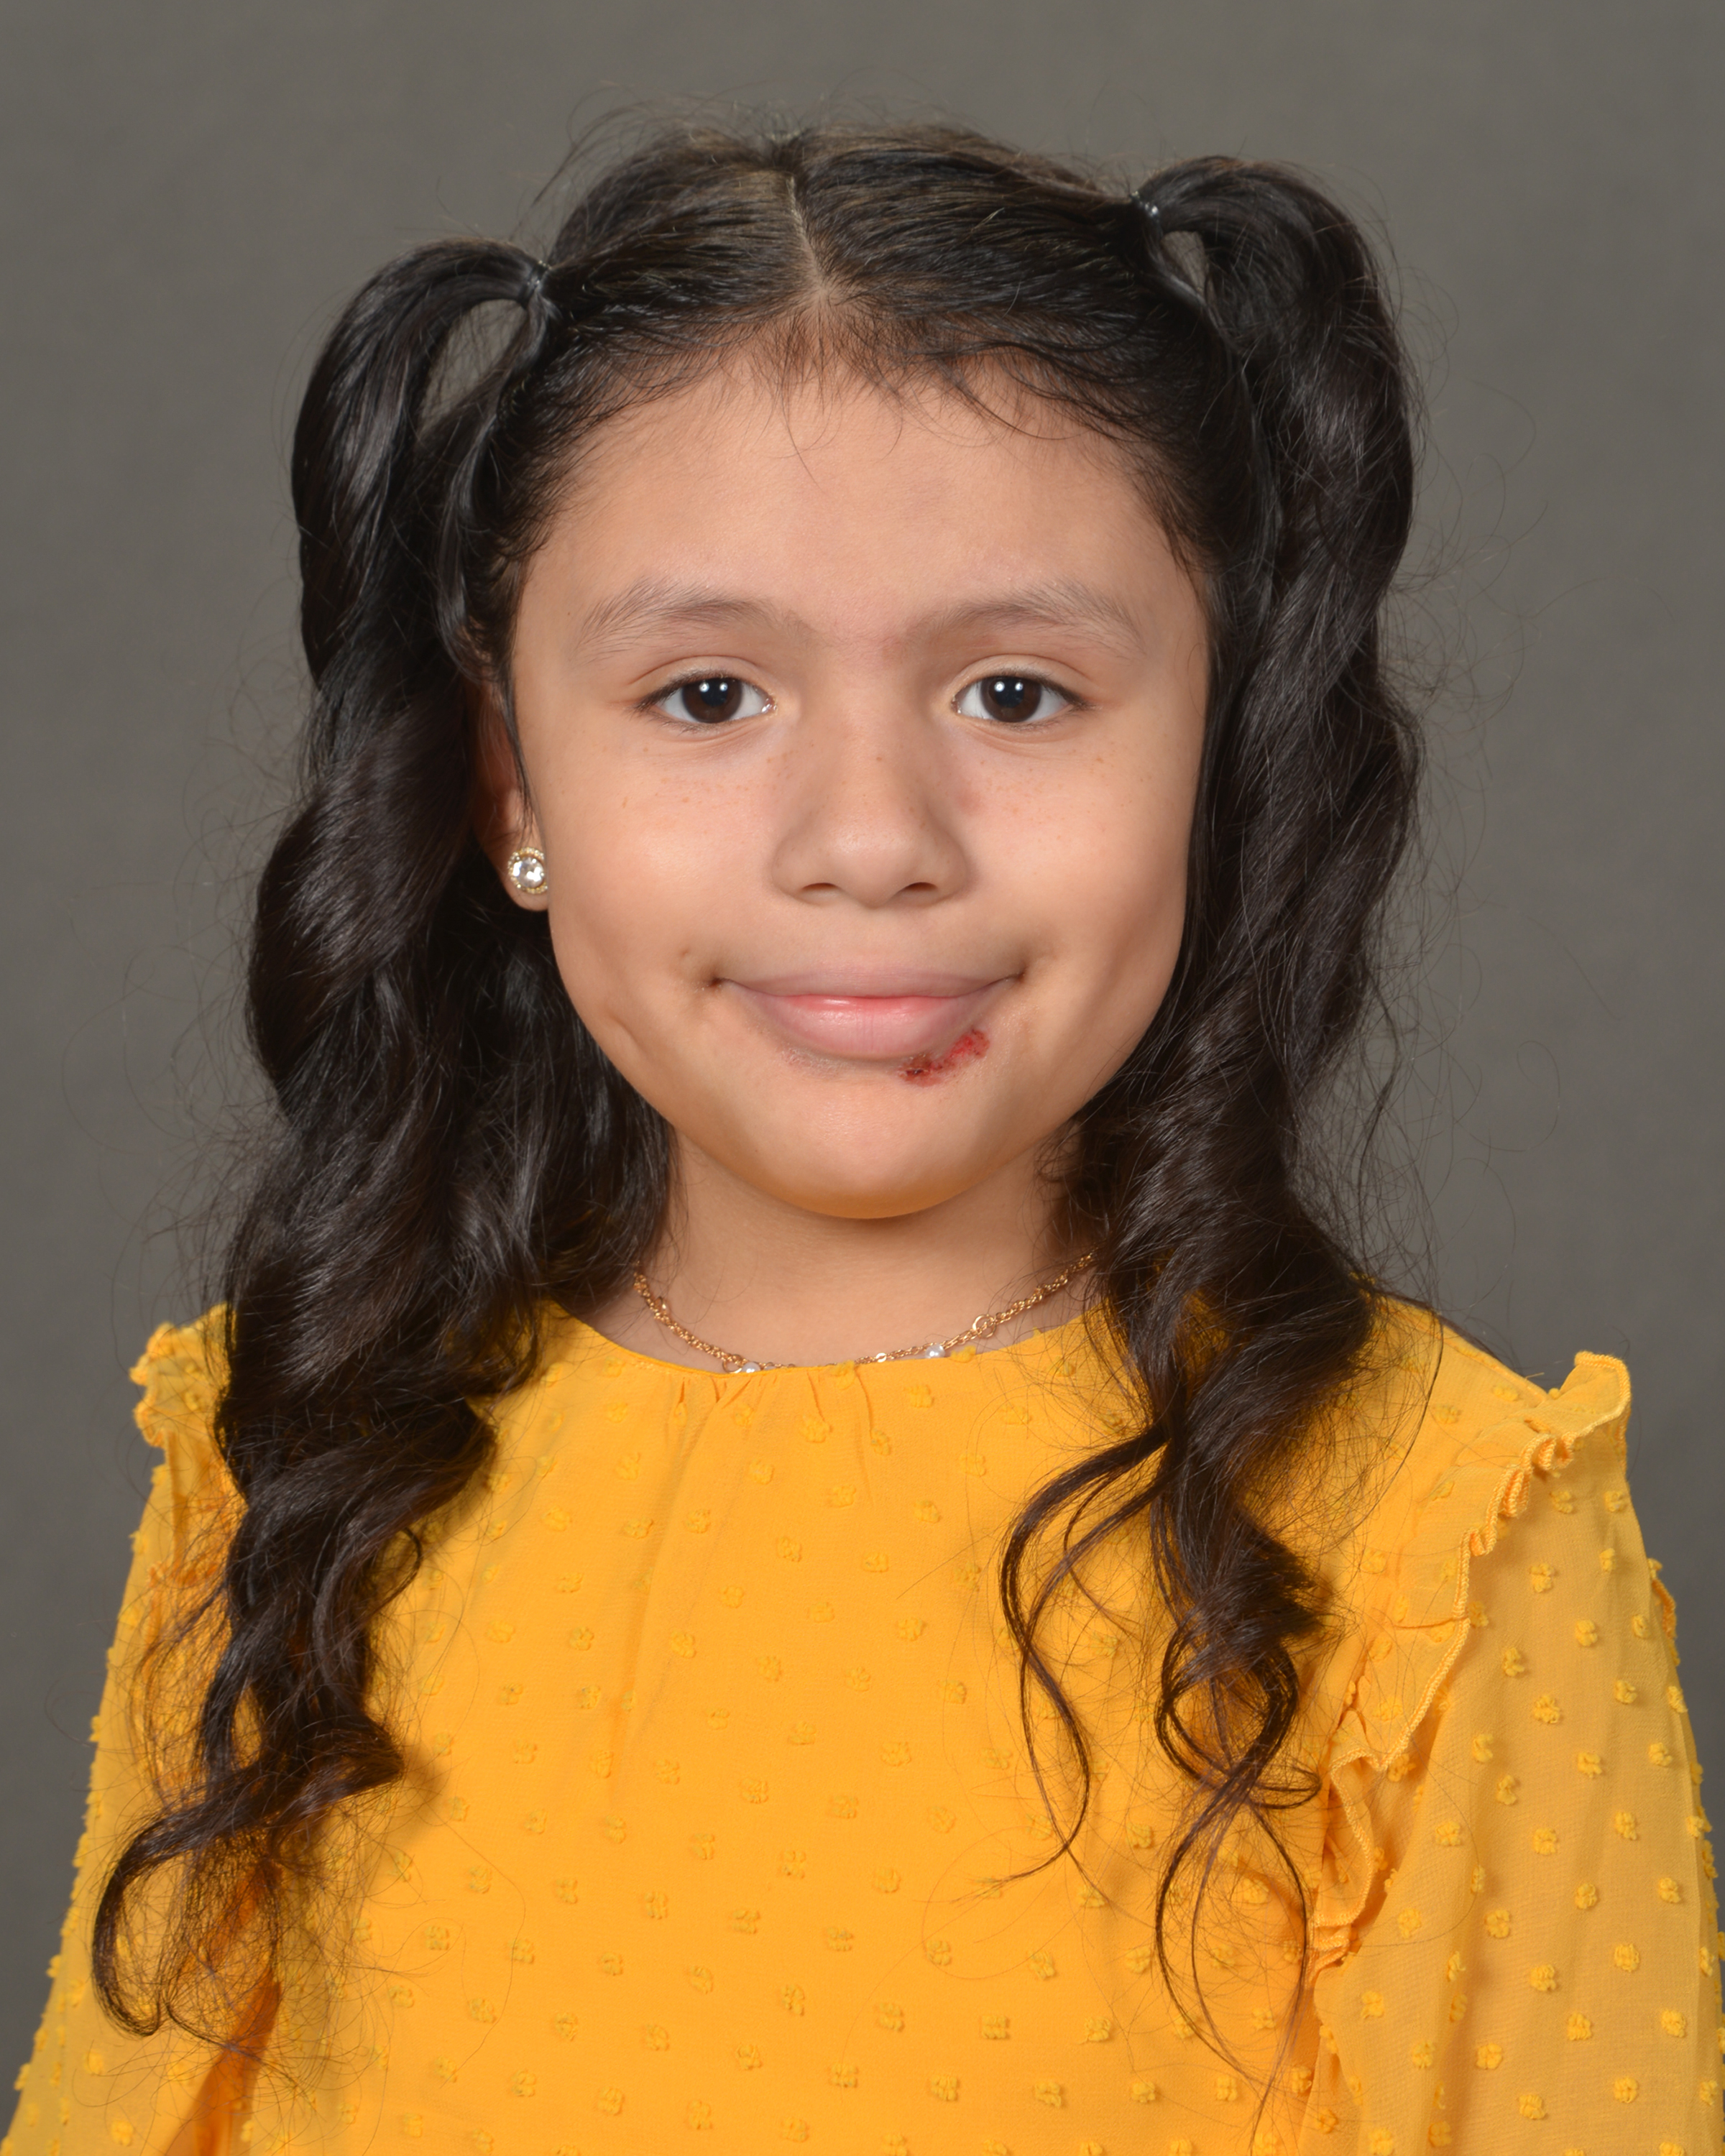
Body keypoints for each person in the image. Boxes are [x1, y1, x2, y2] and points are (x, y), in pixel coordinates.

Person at [4, 119, 1716, 2156]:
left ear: (1221, 752)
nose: (872, 841)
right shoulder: (301, 1456)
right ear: (506, 781)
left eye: (1018, 694)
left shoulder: (1441, 1537)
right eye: (708, 695)